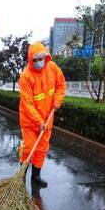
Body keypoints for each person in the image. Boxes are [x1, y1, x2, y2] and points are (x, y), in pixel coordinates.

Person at [18, 41, 66, 188]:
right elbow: (28, 103)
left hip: (47, 119)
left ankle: (36, 176)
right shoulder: (26, 76)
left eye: (41, 58)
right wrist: (38, 121)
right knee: (29, 147)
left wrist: (57, 101)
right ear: (30, 59)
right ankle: (22, 175)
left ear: (46, 57)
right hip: (30, 121)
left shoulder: (53, 68)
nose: (39, 62)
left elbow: (61, 85)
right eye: (36, 59)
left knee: (42, 148)